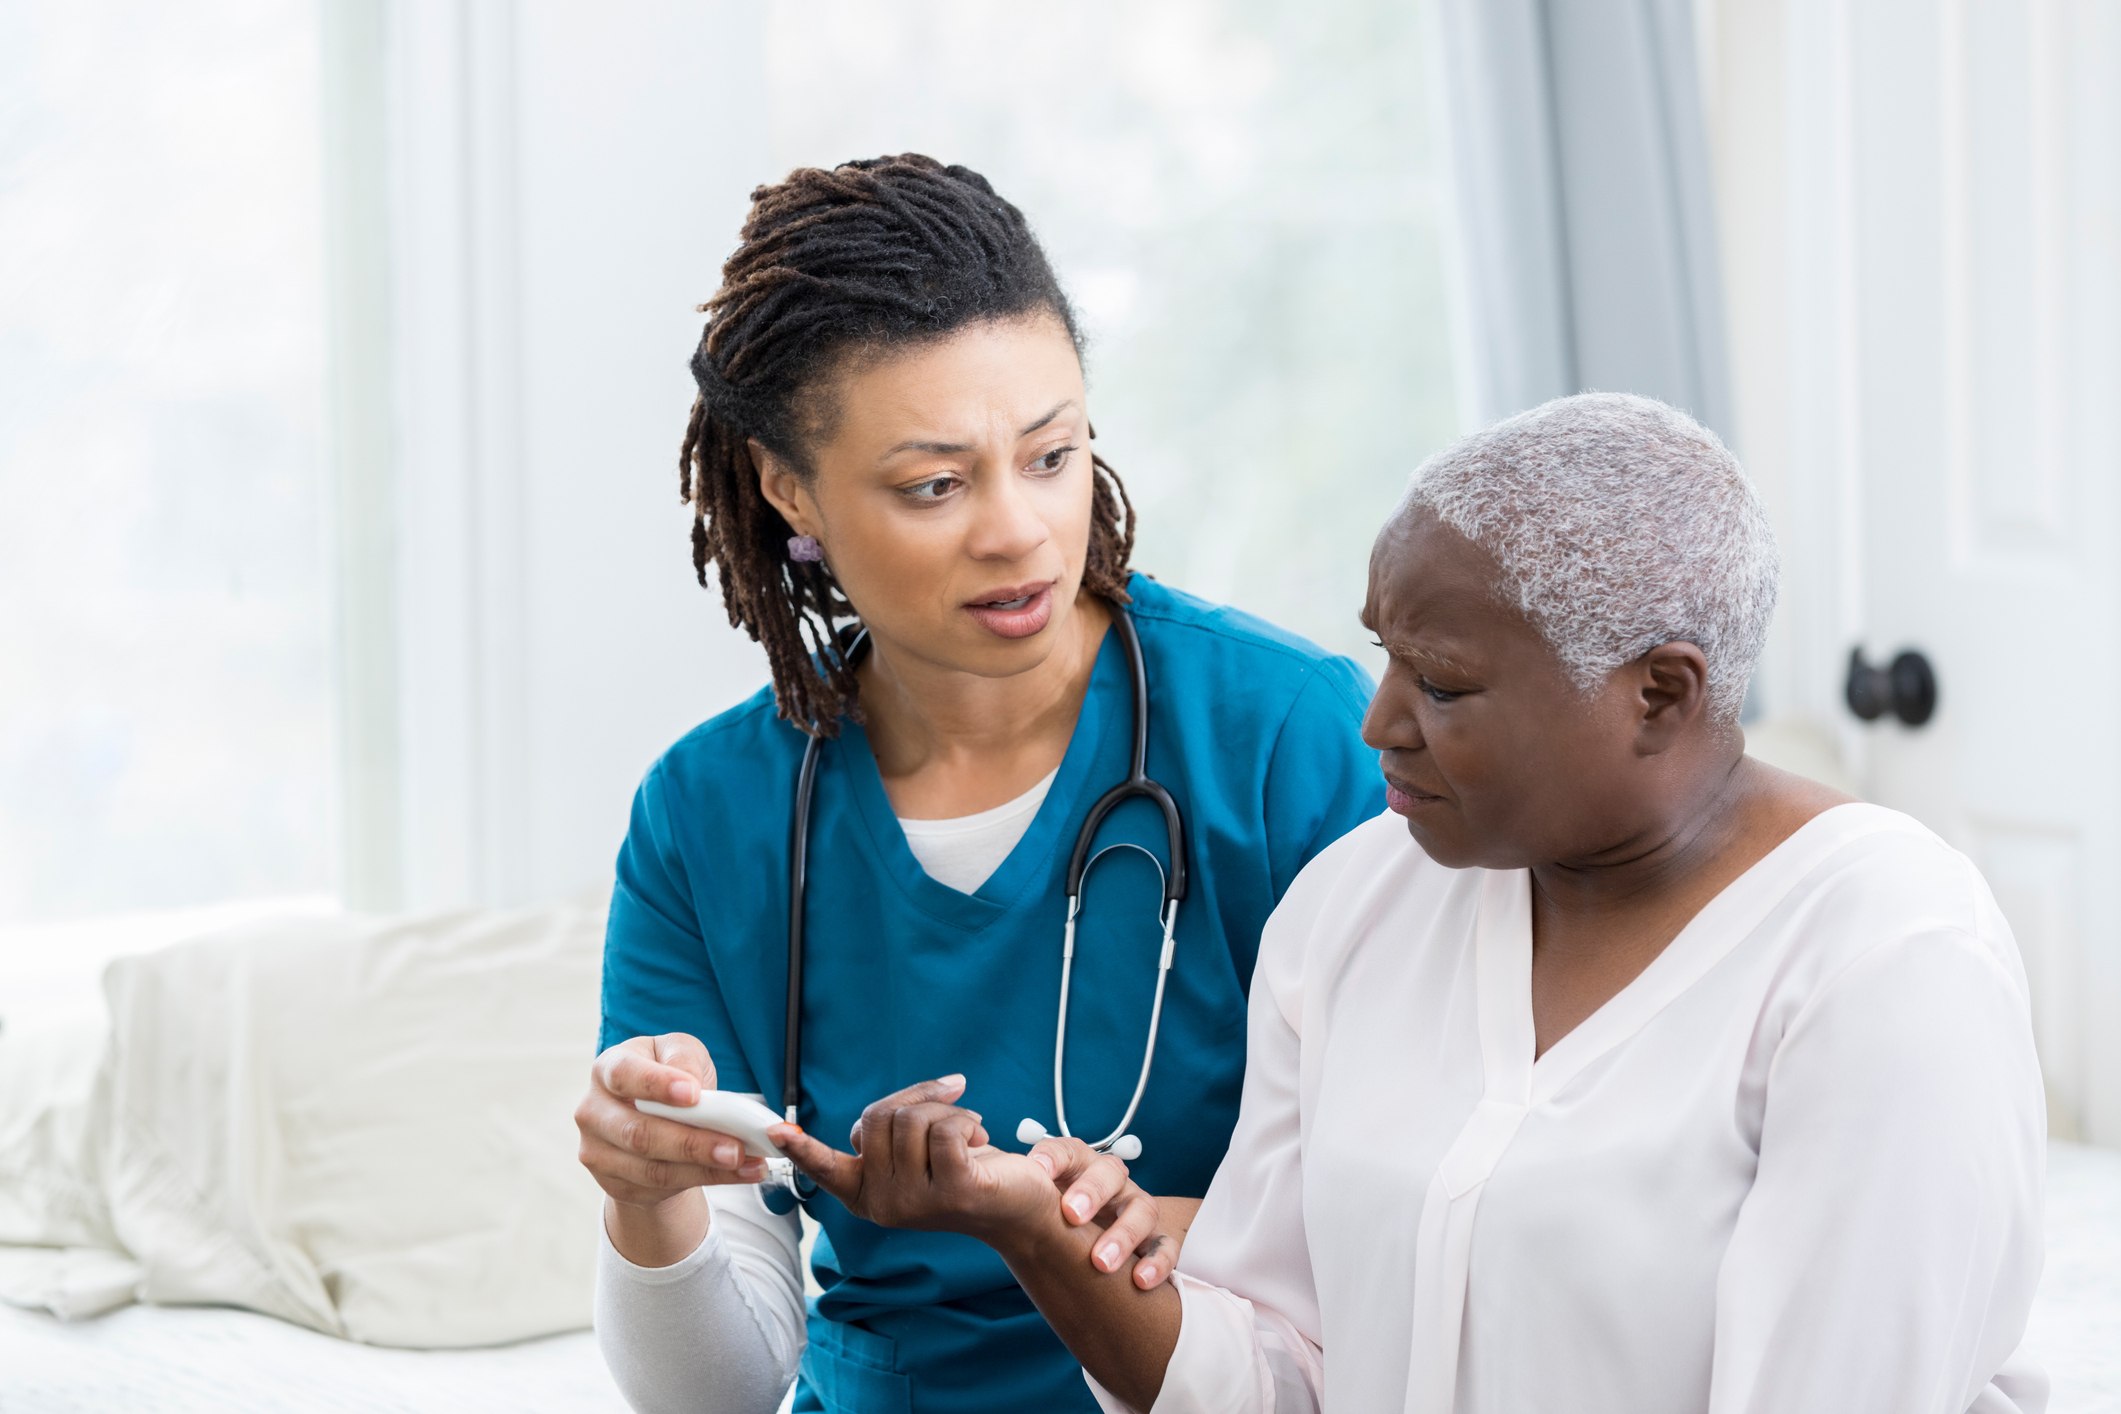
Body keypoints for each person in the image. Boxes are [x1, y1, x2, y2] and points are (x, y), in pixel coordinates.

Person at [771, 393, 2050, 1414]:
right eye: (1385, 653)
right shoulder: (1358, 903)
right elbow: (1276, 1372)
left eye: (1442, 683)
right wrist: (1034, 1234)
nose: (1379, 720)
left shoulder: (1884, 956)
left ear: (1660, 694)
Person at [573, 154, 1383, 1414]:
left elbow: (1423, 1218)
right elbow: (714, 1395)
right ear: (790, 488)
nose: (1018, 530)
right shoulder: (707, 815)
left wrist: (1159, 1224)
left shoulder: (1289, 736)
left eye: (1052, 455)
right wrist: (650, 1201)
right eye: (935, 484)